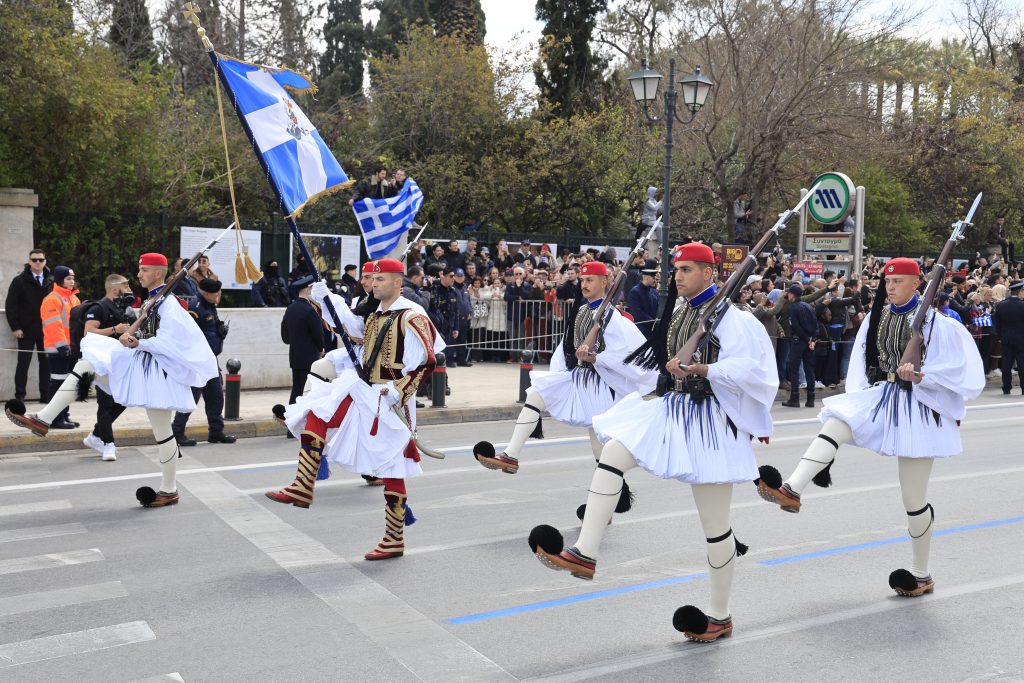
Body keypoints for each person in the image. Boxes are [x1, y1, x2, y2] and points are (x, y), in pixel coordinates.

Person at [528, 243, 777, 642]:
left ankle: (720, 614)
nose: (677, 276)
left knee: (715, 526)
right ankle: (586, 552)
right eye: (676, 269)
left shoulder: (733, 318)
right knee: (613, 452)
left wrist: (706, 368)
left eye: (688, 270)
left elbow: (754, 369)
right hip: (673, 407)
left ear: (710, 274)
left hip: (710, 419)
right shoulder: (679, 311)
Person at [755, 258, 984, 598]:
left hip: (920, 407)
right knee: (838, 420)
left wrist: (923, 376)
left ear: (917, 284)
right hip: (882, 395)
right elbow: (863, 360)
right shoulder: (878, 317)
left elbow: (961, 370)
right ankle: (792, 489)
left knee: (914, 499)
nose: (890, 288)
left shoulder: (938, 324)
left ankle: (921, 574)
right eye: (887, 283)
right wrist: (859, 398)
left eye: (898, 282)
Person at [5, 253, 219, 508]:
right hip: (142, 363)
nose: (139, 275)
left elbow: (173, 341)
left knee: (163, 433)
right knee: (91, 362)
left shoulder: (168, 304)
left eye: (145, 270)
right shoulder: (155, 300)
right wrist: (135, 334)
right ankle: (44, 419)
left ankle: (169, 490)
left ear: (159, 274)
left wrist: (139, 340)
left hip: (158, 371)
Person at [265, 259, 444, 560]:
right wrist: (327, 297)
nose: (374, 285)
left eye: (381, 280)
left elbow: (426, 362)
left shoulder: (412, 316)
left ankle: (393, 538)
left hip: (391, 400)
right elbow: (352, 328)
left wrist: (397, 391)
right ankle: (303, 484)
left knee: (392, 469)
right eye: (373, 281)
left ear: (398, 282)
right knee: (317, 412)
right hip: (364, 390)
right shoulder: (376, 314)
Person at [473, 261, 656, 488]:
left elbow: (631, 355)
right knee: (538, 392)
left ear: (605, 282)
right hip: (578, 377)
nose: (584, 284)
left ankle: (612, 500)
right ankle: (511, 455)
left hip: (601, 386)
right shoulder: (581, 312)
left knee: (602, 452)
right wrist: (558, 376)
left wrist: (597, 358)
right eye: (582, 280)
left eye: (590, 280)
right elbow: (564, 347)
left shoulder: (613, 318)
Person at [171, 278, 237, 445]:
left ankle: (216, 432)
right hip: (197, 361)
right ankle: (177, 432)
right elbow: (188, 335)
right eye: (216, 293)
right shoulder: (195, 308)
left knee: (215, 396)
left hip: (210, 360)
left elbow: (209, 331)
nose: (219, 295)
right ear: (206, 294)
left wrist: (219, 332)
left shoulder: (210, 306)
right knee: (191, 397)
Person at [80, 274, 135, 461]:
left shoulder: (124, 308)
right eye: (125, 285)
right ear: (114, 288)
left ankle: (95, 436)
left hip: (120, 363)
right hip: (102, 364)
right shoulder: (99, 307)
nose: (129, 288)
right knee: (105, 404)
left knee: (123, 400)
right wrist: (115, 329)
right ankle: (108, 444)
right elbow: (88, 331)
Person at [5, 249, 51, 402]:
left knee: (46, 364)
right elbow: (11, 305)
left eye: (40, 260)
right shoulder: (19, 280)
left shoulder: (51, 281)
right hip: (25, 330)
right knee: (23, 364)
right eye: (34, 260)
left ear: (45, 261)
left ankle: (45, 396)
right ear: (29, 261)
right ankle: (20, 396)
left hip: (46, 330)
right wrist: (15, 327)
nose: (37, 262)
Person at [40, 265, 81, 429]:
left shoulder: (73, 298)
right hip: (59, 349)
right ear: (59, 280)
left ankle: (63, 415)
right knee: (58, 383)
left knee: (68, 385)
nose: (72, 282)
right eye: (68, 279)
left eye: (73, 279)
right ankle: (55, 418)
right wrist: (63, 346)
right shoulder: (52, 299)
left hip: (70, 349)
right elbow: (53, 325)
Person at [783, 284, 818, 407]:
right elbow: (815, 325)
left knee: (794, 369)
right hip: (809, 342)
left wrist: (806, 339)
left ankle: (794, 398)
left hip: (799, 341)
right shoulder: (809, 306)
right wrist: (813, 339)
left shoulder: (792, 308)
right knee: (810, 369)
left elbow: (795, 326)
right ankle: (811, 399)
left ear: (792, 294)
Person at [993, 279, 1024, 395]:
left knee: (1006, 364)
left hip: (1006, 338)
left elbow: (997, 323)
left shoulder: (1001, 305)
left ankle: (1006, 387)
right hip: (1021, 339)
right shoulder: (1022, 305)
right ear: (1020, 291)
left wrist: (1000, 336)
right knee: (1022, 363)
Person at [626, 259, 659, 340]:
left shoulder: (653, 291)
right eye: (653, 278)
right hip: (640, 330)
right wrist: (653, 322)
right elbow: (637, 313)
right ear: (647, 277)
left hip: (652, 329)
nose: (655, 280)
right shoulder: (635, 292)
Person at [451, 268, 473, 366]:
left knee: (462, 340)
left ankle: (461, 360)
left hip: (465, 318)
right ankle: (450, 360)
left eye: (461, 276)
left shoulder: (465, 287)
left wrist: (470, 312)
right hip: (455, 318)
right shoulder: (451, 288)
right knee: (452, 340)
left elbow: (468, 301)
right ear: (454, 277)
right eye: (458, 276)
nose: (460, 278)